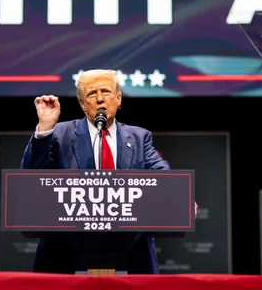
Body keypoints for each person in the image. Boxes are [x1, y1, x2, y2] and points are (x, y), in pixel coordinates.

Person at [21, 69, 171, 274]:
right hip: (66, 254)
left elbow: (161, 174)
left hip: (131, 254)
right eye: (92, 93)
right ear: (82, 104)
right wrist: (45, 127)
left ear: (118, 98)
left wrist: (178, 197)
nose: (100, 99)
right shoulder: (60, 134)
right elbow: (31, 175)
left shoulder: (139, 137)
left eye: (106, 91)